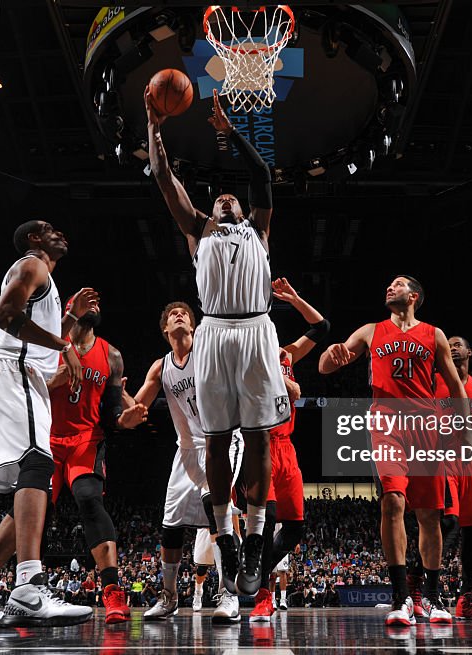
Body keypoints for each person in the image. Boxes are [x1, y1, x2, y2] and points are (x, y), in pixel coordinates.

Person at [147, 87, 290, 597]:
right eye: (219, 197)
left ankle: (254, 540)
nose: (226, 198)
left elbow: (262, 176)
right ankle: (224, 538)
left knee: (257, 437)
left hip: (255, 330)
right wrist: (154, 126)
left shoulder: (260, 229)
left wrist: (233, 134)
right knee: (215, 440)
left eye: (232, 197)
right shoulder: (199, 229)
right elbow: (165, 180)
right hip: (213, 331)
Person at [0, 219, 96, 628]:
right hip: (14, 371)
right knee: (38, 468)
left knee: (25, 492)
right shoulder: (32, 265)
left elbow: (35, 334)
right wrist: (67, 344)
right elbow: (4, 316)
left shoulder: (43, 279)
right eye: (50, 228)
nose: (61, 231)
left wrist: (70, 321)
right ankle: (29, 585)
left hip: (20, 376)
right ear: (33, 238)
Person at [319, 275, 469, 626]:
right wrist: (331, 356)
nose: (390, 287)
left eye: (398, 284)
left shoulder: (434, 334)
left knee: (430, 515)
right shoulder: (371, 330)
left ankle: (430, 598)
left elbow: (455, 386)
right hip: (386, 423)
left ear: (414, 296)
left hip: (426, 426)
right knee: (393, 501)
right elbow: (327, 367)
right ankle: (400, 598)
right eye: (388, 283)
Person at [129, 302, 245, 623]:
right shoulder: (160, 367)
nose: (179, 315)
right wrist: (123, 405)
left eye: (185, 314)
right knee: (170, 527)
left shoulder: (207, 350)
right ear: (166, 329)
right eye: (172, 315)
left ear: (193, 327)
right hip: (187, 450)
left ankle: (229, 595)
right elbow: (138, 407)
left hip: (222, 440)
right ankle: (169, 597)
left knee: (216, 509)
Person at [45, 296, 148, 624]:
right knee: (30, 512)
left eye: (98, 302)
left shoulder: (112, 356)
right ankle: (23, 587)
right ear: (68, 311)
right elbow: (23, 391)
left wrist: (124, 421)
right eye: (84, 300)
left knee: (90, 500)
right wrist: (52, 383)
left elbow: (113, 412)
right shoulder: (47, 345)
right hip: (45, 440)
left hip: (86, 441)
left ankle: (113, 593)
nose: (94, 304)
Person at [251, 278, 328, 621]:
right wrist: (284, 380)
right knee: (266, 521)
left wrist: (295, 298)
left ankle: (252, 567)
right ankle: (263, 595)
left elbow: (321, 326)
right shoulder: (248, 355)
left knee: (294, 527)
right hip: (260, 446)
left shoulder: (286, 353)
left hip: (287, 448)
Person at [434, 336, 472, 621]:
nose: (454, 347)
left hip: (470, 463)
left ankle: (466, 599)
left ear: (469, 351)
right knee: (449, 523)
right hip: (441, 457)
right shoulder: (433, 381)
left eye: (459, 344)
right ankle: (426, 592)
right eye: (450, 343)